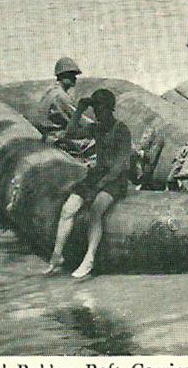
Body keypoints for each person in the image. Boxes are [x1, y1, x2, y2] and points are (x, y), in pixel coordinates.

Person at [45, 88, 133, 279]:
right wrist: (79, 110)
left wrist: (100, 186)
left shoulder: (121, 130)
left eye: (100, 108)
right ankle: (57, 255)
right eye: (95, 108)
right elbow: (70, 134)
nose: (97, 112)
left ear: (109, 109)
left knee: (96, 210)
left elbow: (121, 165)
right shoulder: (96, 127)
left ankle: (89, 258)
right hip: (97, 175)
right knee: (68, 209)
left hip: (115, 179)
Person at [37, 57, 95, 158]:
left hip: (49, 136)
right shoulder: (60, 95)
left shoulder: (50, 91)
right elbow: (78, 119)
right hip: (57, 138)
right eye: (72, 75)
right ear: (63, 75)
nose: (75, 78)